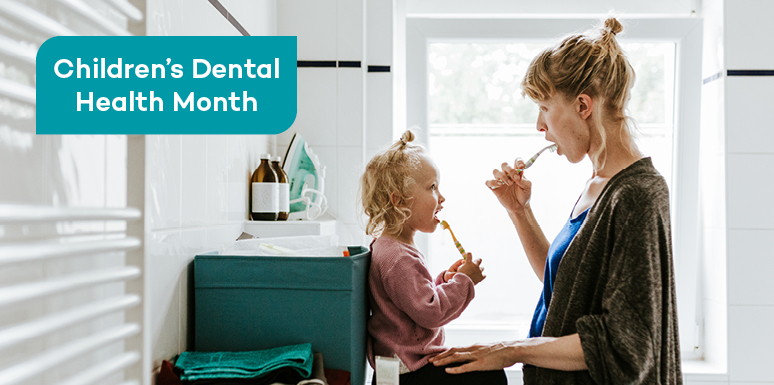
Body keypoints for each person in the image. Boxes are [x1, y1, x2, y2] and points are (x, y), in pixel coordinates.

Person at [429, 17, 682, 384]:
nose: (539, 125)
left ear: (583, 105)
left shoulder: (638, 195)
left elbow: (626, 344)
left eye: (544, 108)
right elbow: (566, 287)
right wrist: (520, 212)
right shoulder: (598, 184)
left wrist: (510, 350)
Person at [359, 129, 507, 385]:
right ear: (399, 200)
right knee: (491, 374)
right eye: (432, 187)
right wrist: (464, 282)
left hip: (400, 369)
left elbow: (411, 302)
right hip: (410, 373)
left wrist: (444, 280)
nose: (442, 197)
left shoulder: (390, 248)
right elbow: (431, 313)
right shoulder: (397, 257)